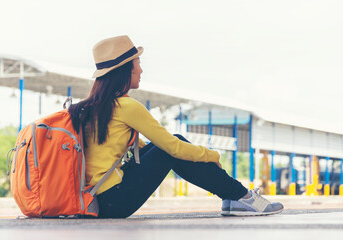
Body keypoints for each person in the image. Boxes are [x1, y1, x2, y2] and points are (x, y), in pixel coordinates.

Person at [68, 35, 284, 218]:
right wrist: (211, 155)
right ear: (126, 69)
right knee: (172, 145)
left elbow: (138, 150)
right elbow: (173, 147)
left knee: (158, 147)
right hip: (113, 202)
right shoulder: (126, 106)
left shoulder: (93, 107)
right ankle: (241, 196)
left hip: (96, 199)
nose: (141, 70)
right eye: (138, 63)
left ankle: (232, 196)